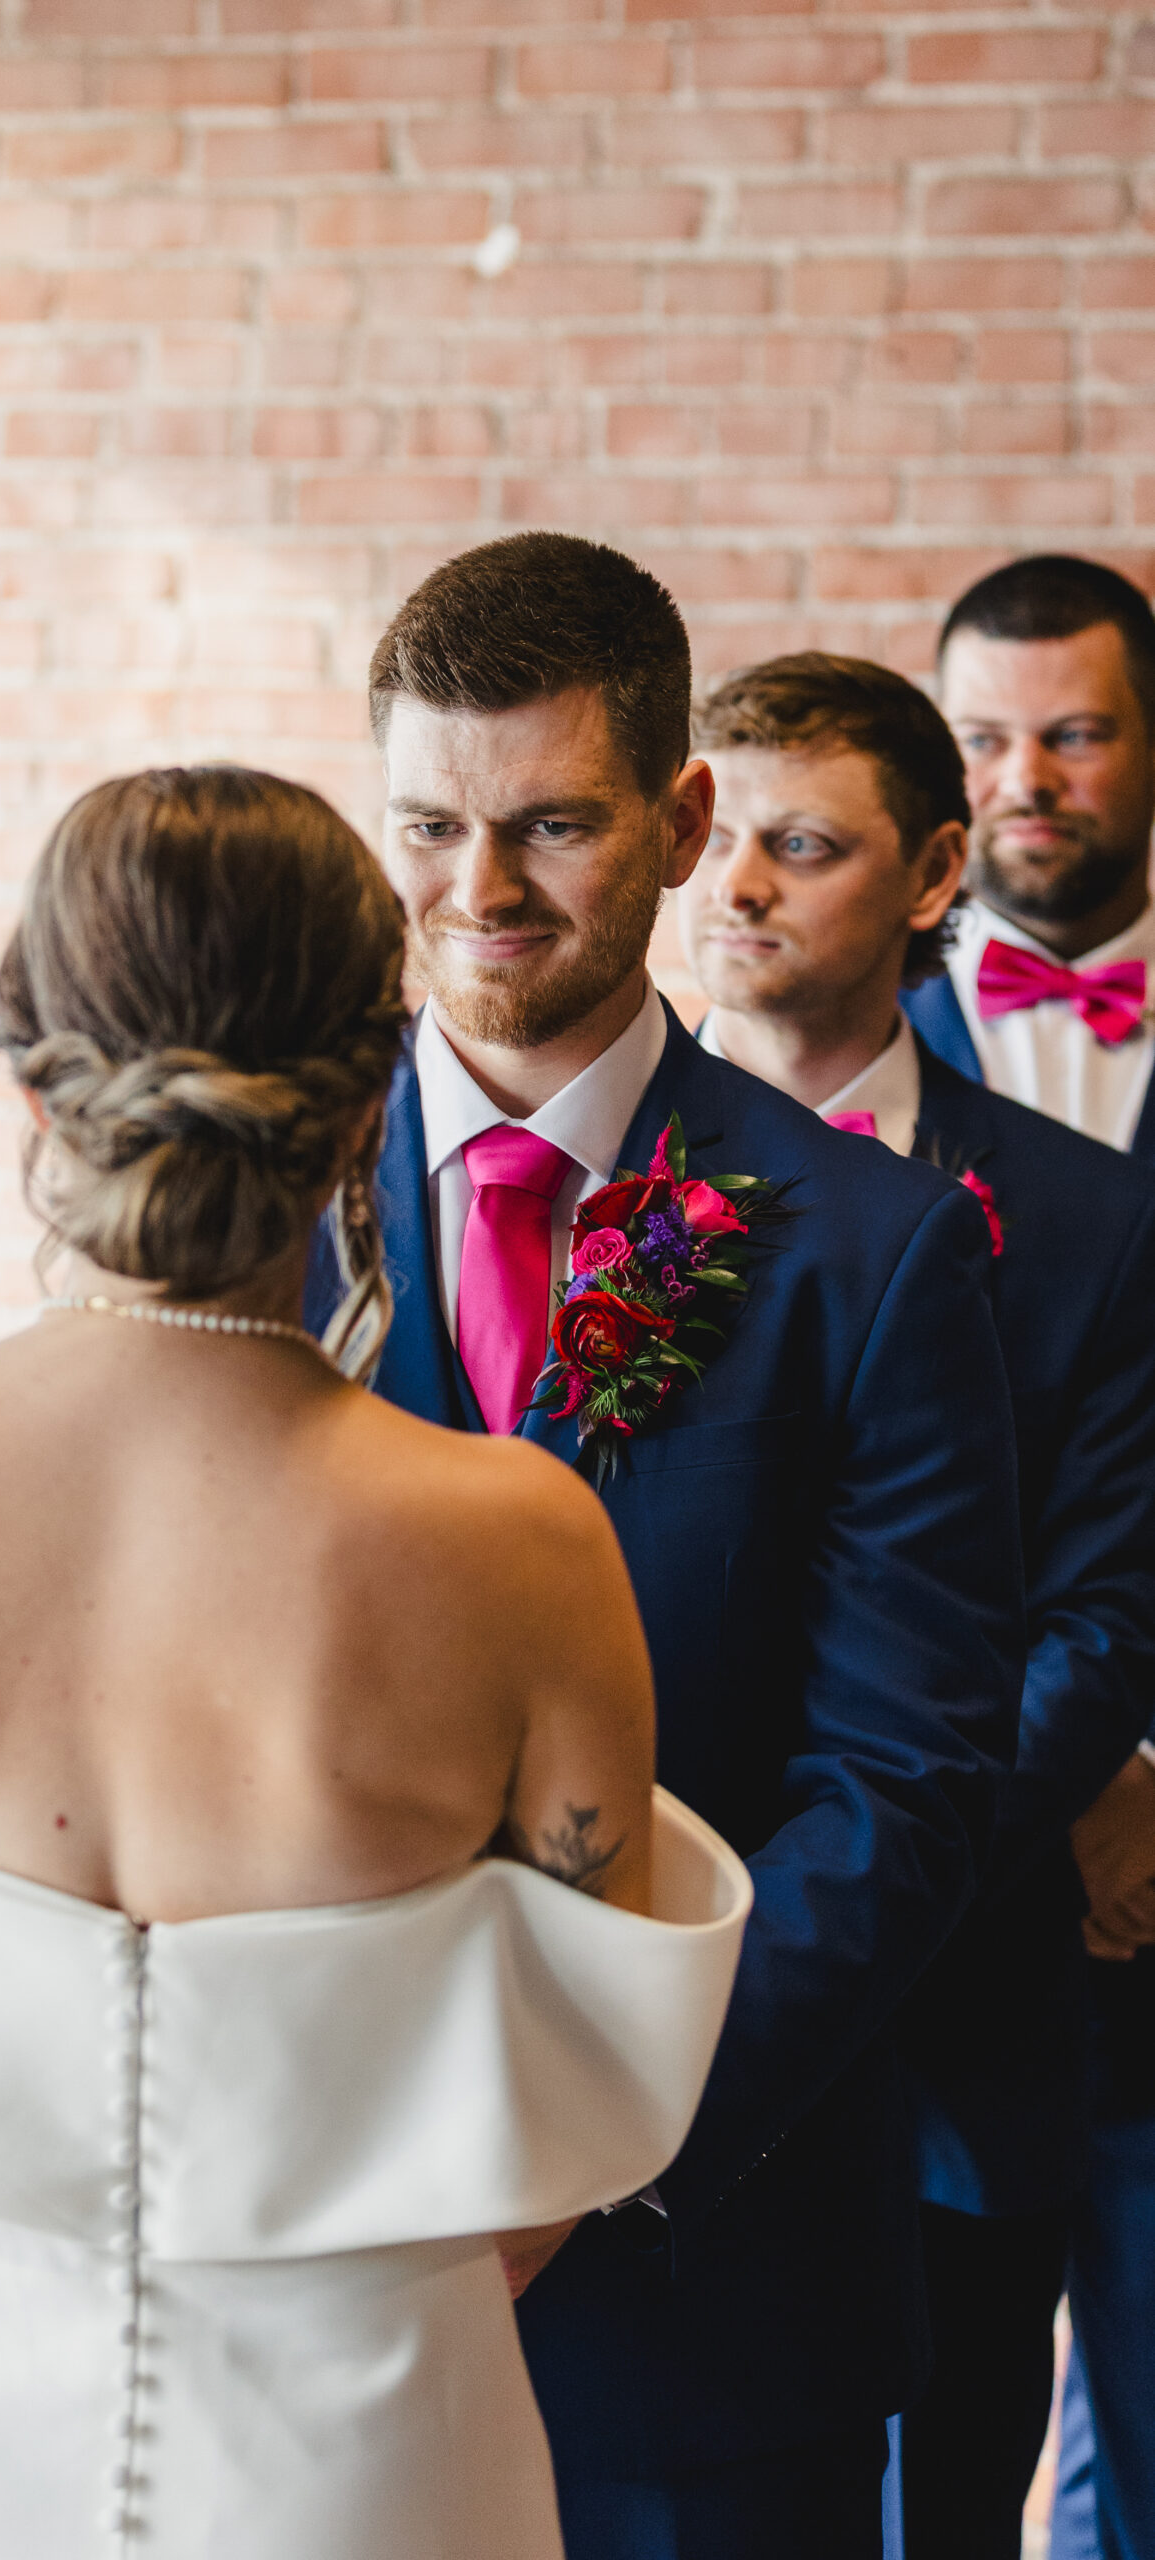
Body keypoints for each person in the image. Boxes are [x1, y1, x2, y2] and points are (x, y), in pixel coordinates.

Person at [0, 766, 751, 2560]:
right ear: (369, 1097)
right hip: (365, 2450)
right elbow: (580, 2088)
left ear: (32, 1079)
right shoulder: (514, 1548)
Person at [303, 533, 1026, 2560]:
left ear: (682, 821)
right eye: (428, 826)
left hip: (709, 2301)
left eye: (550, 824)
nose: (479, 888)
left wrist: (590, 2137)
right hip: (304, 2280)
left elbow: (901, 1782)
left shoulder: (874, 1251)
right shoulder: (252, 1224)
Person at [678, 649, 1155, 2560]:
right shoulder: (573, 1180)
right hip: (630, 1992)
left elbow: (1096, 1623)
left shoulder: (1082, 1216)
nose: (738, 887)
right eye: (717, 839)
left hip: (951, 2024)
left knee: (941, 2514)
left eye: (802, 847)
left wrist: (850, 1887)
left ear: (934, 874)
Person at [914, 556, 1155, 2560]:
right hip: (957, 1842)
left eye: (1070, 735)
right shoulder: (819, 1054)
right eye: (982, 739)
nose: (1024, 782)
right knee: (925, 2446)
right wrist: (1048, 1773)